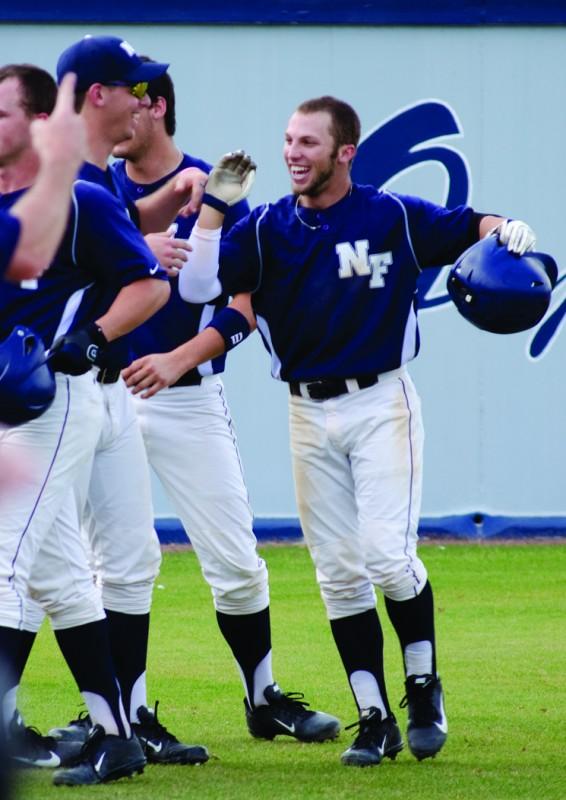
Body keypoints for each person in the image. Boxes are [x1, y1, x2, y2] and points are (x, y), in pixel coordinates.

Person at [126, 96, 537, 767]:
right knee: (339, 576)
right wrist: (214, 212)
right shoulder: (263, 229)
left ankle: (423, 682)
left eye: (309, 143)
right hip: (306, 409)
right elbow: (199, 288)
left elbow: (470, 224)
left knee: (387, 557)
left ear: (345, 152)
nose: (293, 153)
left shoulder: (391, 214)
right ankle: (374, 717)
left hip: (381, 401)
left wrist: (508, 228)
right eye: (289, 140)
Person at [107, 63, 340, 746]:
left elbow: (243, 310)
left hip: (187, 401)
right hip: (107, 399)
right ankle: (128, 716)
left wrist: (179, 357)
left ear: (155, 109)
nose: (115, 116)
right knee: (115, 564)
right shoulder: (96, 185)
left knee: (237, 562)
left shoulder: (217, 188)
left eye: (127, 102)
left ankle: (262, 698)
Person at [33, 35, 211, 774]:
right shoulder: (57, 167)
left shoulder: (96, 174)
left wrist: (148, 218)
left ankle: (123, 726)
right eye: (133, 86)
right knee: (31, 563)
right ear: (95, 94)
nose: (147, 100)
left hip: (96, 389)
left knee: (123, 559)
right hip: (45, 386)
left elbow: (92, 243)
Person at [0, 62, 170, 786]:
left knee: (3, 561)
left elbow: (150, 282)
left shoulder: (84, 200)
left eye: (1, 111)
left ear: (41, 122)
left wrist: (94, 335)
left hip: (54, 403)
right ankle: (115, 736)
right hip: (5, 407)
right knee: (64, 578)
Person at [0, 68, 85, 283]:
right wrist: (63, 159)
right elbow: (25, 256)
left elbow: (148, 286)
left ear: (41, 124)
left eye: (0, 116)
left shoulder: (82, 201)